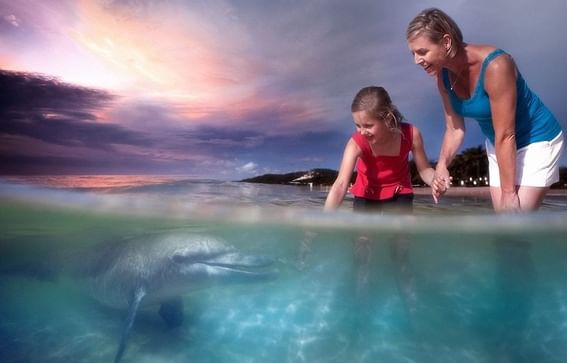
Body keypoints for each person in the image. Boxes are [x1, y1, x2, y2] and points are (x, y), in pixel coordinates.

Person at [406, 8, 564, 212]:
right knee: (506, 226)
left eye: (422, 52)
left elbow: (506, 134)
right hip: (499, 145)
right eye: (413, 54)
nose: (416, 61)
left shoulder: (496, 66)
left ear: (446, 42)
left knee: (514, 221)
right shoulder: (442, 79)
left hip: (537, 139)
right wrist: (442, 165)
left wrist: (509, 194)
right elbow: (454, 129)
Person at [324, 85, 442, 213]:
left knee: (399, 232)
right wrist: (324, 218)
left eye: (368, 125)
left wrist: (435, 181)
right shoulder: (355, 143)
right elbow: (341, 183)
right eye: (358, 125)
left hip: (399, 193)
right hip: (366, 194)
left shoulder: (411, 135)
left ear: (388, 118)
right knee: (365, 233)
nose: (362, 132)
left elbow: (424, 169)